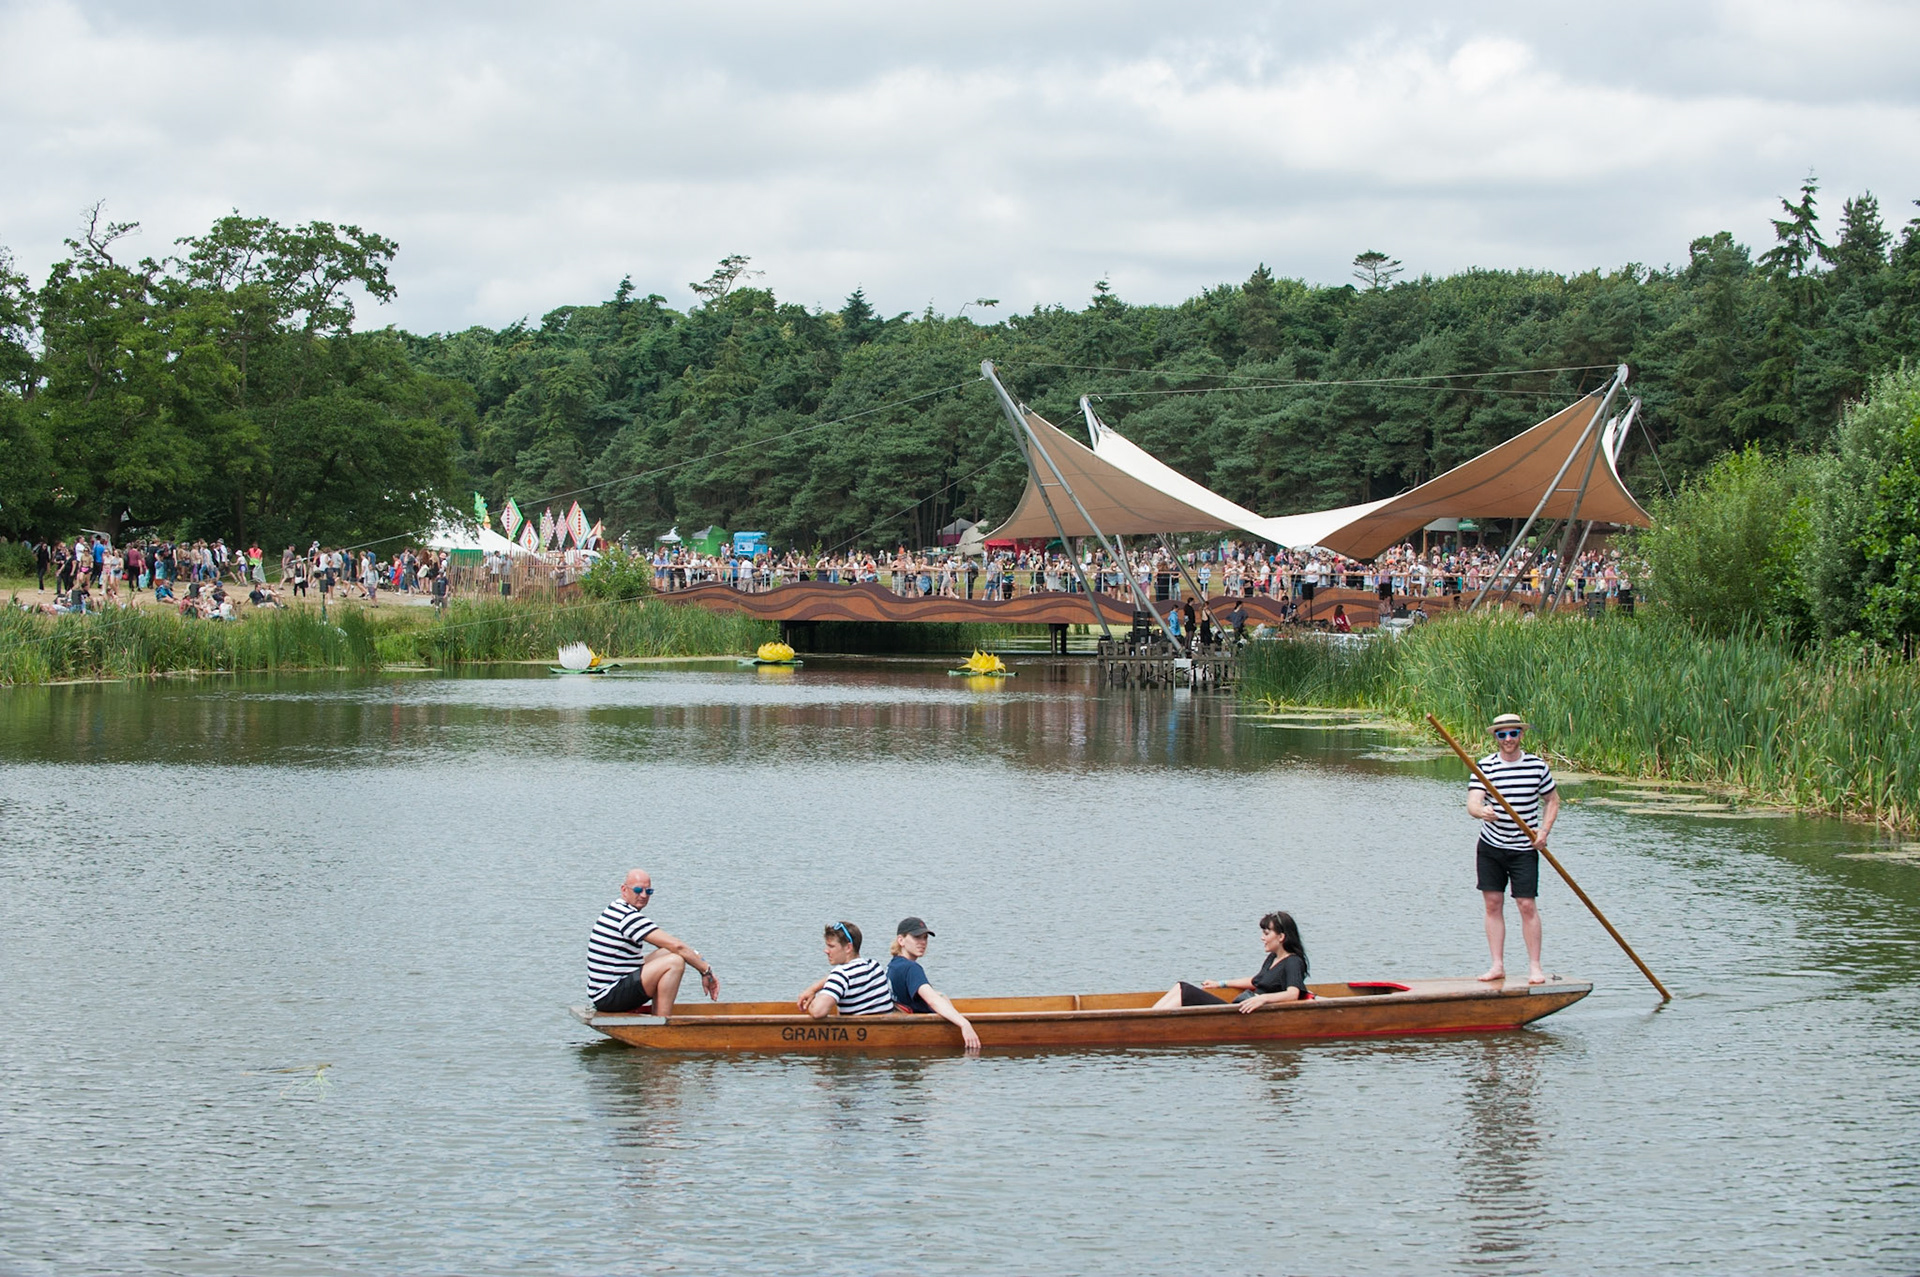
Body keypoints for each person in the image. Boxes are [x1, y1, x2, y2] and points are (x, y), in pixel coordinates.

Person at [1468, 713, 1558, 986]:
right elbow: (1472, 802)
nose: (1508, 739)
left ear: (1521, 735)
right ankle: (1497, 965)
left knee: (1526, 904)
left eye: (1513, 733)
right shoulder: (1485, 767)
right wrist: (1482, 811)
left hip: (1524, 848)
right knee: (1493, 903)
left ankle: (1535, 967)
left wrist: (1544, 831)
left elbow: (1552, 801)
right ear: (1495, 737)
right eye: (1501, 734)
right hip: (1491, 846)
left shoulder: (1537, 767)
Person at [586, 869, 720, 1016]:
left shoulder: (617, 908)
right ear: (624, 890)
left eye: (648, 891)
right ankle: (661, 1022)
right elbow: (677, 945)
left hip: (609, 989)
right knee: (674, 962)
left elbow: (672, 946)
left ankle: (658, 1016)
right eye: (638, 890)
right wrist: (706, 971)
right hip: (609, 996)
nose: (643, 895)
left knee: (668, 952)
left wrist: (697, 957)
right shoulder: (627, 917)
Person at [1152, 911, 1311, 1012]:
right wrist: (1220, 984)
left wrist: (1262, 999)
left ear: (1281, 937)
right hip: (1241, 1006)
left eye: (1267, 933)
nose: (1262, 938)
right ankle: (1151, 1016)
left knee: (1185, 991)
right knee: (1180, 986)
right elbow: (1255, 981)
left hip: (1245, 1012)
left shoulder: (1293, 962)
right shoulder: (1272, 958)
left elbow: (1293, 993)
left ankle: (1149, 1022)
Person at [886, 917, 981, 1051]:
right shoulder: (912, 968)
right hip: (917, 1028)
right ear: (901, 940)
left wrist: (941, 996)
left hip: (904, 1019)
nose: (922, 942)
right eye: (916, 937)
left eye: (925, 938)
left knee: (941, 995)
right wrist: (964, 1024)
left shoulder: (893, 965)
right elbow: (932, 1000)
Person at [796, 921, 895, 1017]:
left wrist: (810, 1004)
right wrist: (814, 989)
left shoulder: (841, 975)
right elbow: (848, 977)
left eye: (831, 946)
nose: (826, 951)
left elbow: (818, 1012)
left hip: (858, 1033)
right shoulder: (874, 966)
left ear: (848, 948)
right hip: (887, 1032)